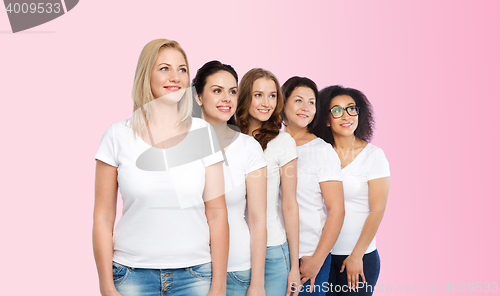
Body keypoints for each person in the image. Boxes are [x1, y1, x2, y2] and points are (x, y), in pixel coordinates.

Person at [92, 39, 229, 296]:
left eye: (182, 69)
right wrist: (106, 286)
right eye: (164, 68)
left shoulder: (203, 133)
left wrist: (219, 286)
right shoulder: (116, 135)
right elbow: (102, 217)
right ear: (147, 74)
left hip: (195, 276)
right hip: (131, 275)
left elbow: (218, 214)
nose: (175, 77)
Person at [192, 60, 268, 296]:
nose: (226, 98)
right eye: (217, 91)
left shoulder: (249, 148)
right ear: (198, 97)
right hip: (189, 270)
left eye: (232, 91)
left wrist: (257, 283)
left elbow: (257, 219)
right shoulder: (180, 144)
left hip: (237, 270)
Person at [310, 85, 391, 295]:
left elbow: (377, 210)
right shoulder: (319, 154)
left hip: (358, 258)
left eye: (351, 108)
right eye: (336, 110)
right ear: (326, 119)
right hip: (321, 257)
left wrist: (357, 255)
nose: (346, 115)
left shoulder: (373, 156)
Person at [235, 68, 301, 296]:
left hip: (272, 250)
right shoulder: (227, 138)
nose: (267, 103)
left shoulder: (283, 142)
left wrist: (293, 267)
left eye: (272, 95)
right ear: (245, 97)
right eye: (258, 95)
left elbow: (290, 205)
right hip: (232, 251)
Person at [281, 77, 345, 296]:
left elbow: (337, 210)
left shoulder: (322, 151)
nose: (305, 108)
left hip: (307, 256)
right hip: (273, 254)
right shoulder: (268, 145)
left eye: (311, 102)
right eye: (298, 100)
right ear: (283, 103)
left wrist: (317, 260)